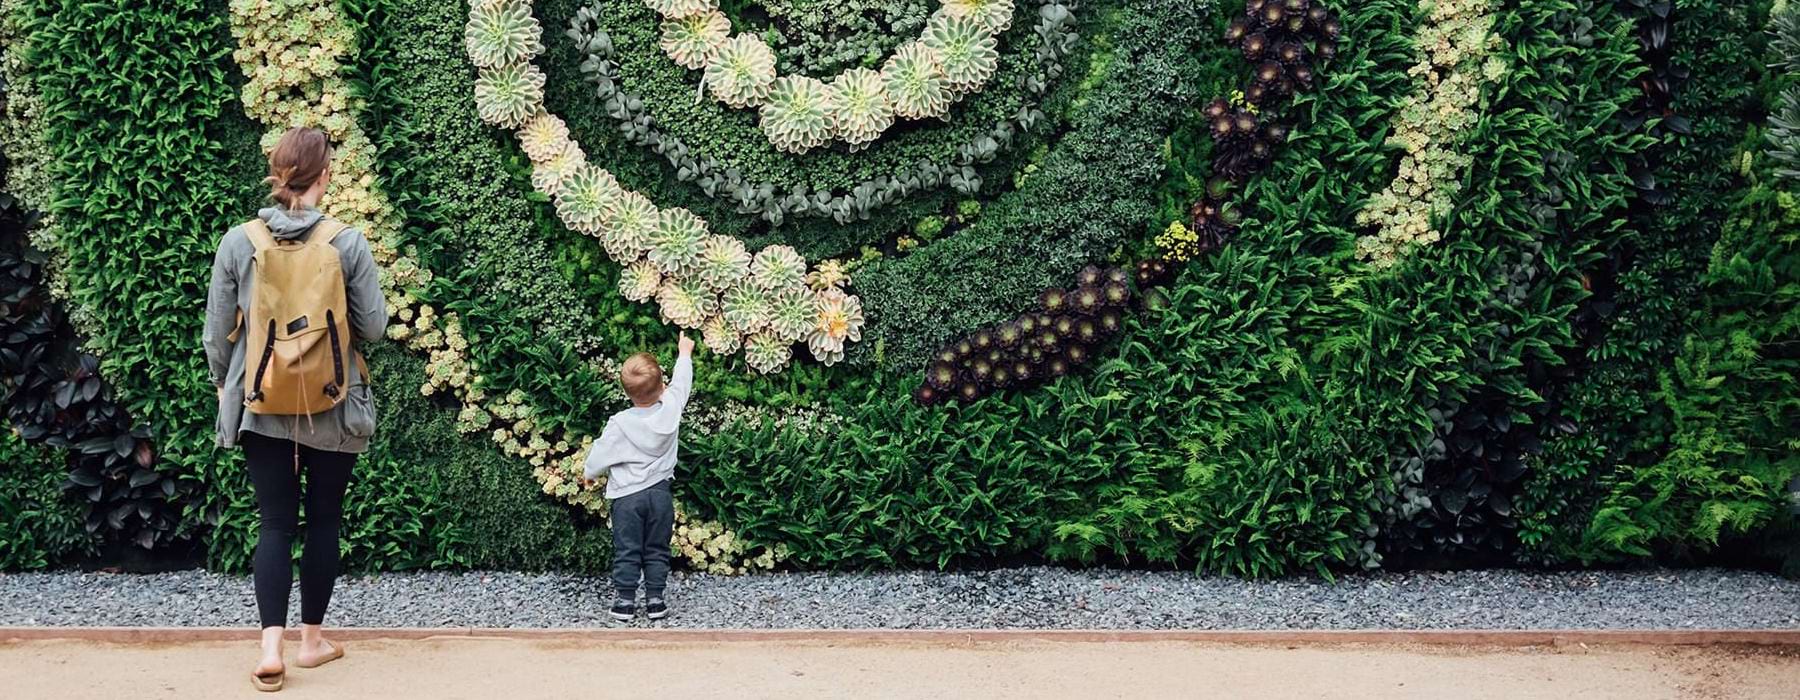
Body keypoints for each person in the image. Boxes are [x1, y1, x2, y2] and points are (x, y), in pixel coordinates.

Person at [203, 127, 387, 692]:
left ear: (277, 173)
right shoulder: (347, 241)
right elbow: (374, 328)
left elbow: (217, 333)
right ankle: (311, 643)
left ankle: (268, 649)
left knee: (275, 522)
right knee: (324, 519)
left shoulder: (240, 241)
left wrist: (224, 387)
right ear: (324, 175)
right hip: (332, 402)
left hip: (260, 398)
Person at [583, 332, 695, 622]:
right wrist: (684, 352)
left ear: (626, 391)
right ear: (662, 385)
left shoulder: (620, 424)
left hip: (626, 497)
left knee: (627, 548)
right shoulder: (671, 408)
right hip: (659, 494)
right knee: (657, 547)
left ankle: (624, 602)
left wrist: (589, 474)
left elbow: (600, 453)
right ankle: (656, 601)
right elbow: (683, 383)